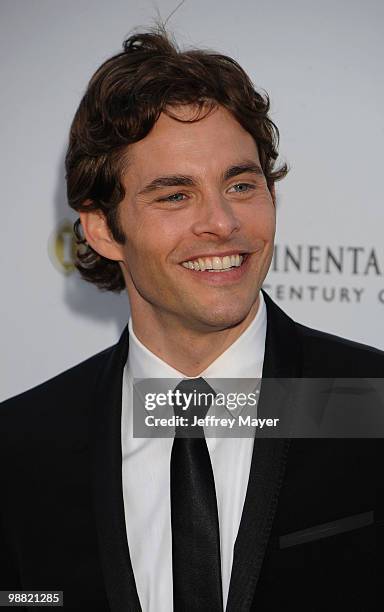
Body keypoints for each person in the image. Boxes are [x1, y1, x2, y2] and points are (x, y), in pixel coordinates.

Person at [0, 27, 383, 612]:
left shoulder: (367, 402)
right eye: (175, 195)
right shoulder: (24, 445)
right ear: (103, 228)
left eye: (241, 183)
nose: (223, 222)